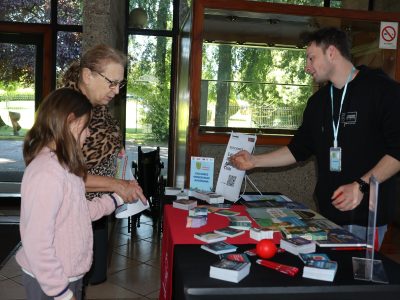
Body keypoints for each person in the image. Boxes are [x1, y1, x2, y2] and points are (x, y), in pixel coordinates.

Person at [230, 27, 400, 248]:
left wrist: (360, 185)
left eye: (311, 58)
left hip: (365, 218)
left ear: (331, 52)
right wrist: (255, 161)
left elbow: (397, 152)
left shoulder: (382, 90)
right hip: (327, 218)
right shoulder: (318, 102)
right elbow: (297, 149)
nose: (306, 67)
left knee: (355, 281)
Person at [16, 88, 128, 300]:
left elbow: (78, 211)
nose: (88, 134)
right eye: (86, 127)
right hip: (49, 282)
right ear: (72, 122)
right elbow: (37, 242)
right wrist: (60, 292)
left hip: (67, 276)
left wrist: (117, 198)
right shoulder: (46, 173)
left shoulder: (65, 166)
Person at [62, 44, 147, 284]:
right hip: (74, 213)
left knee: (91, 275)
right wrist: (116, 184)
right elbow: (64, 176)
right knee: (72, 278)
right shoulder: (69, 111)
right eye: (112, 82)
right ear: (87, 75)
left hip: (94, 206)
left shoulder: (93, 105)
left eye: (120, 84)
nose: (117, 91)